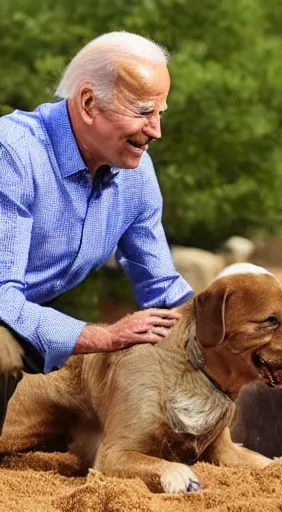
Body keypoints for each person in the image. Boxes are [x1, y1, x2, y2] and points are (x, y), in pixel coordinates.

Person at [0, 31, 194, 432]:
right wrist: (104, 337)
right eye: (143, 111)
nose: (156, 130)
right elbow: (2, 300)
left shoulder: (136, 175)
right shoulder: (12, 153)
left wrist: (233, 319)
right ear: (89, 103)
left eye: (161, 112)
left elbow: (163, 291)